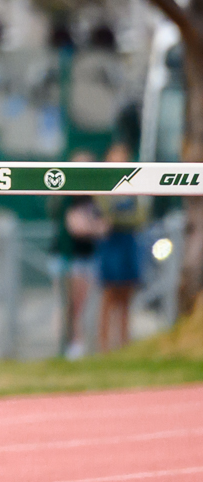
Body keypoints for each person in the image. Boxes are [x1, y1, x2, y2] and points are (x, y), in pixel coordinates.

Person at [95, 140, 151, 353]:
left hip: (129, 242)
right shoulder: (101, 183)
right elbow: (106, 214)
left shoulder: (134, 183)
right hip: (111, 244)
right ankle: (104, 345)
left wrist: (119, 219)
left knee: (127, 294)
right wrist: (118, 218)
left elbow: (140, 216)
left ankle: (124, 343)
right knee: (109, 294)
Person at [48, 150, 103, 360]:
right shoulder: (66, 195)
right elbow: (75, 225)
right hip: (65, 256)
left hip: (86, 255)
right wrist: (92, 226)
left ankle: (76, 347)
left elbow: (103, 225)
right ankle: (64, 346)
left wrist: (92, 226)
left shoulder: (94, 195)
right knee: (66, 304)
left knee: (80, 306)